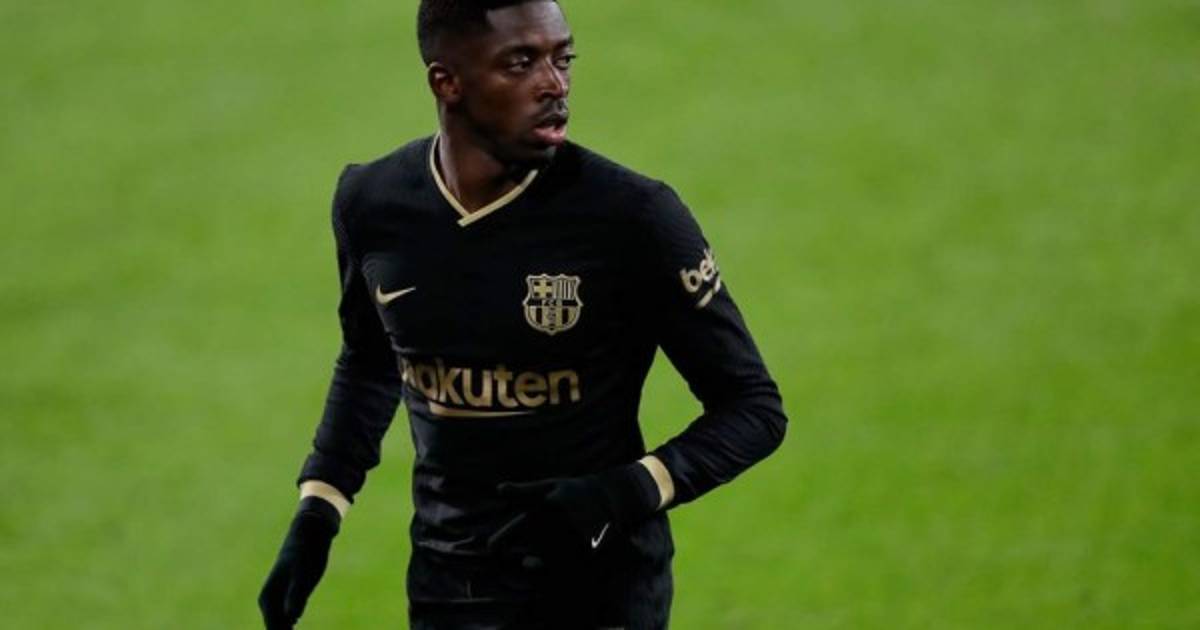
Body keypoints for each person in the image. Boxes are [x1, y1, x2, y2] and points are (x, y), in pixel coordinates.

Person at [258, 1, 787, 628]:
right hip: (449, 588)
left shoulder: (632, 216)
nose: (554, 84)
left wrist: (626, 490)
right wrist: (319, 508)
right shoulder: (371, 203)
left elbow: (752, 407)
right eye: (521, 63)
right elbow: (372, 359)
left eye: (563, 59)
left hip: (600, 592)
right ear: (447, 82)